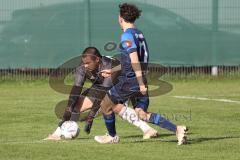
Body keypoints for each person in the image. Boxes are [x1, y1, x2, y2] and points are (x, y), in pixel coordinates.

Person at [94, 3, 187, 145]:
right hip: (139, 77)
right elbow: (129, 62)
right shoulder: (139, 33)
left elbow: (134, 60)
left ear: (120, 18)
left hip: (130, 80)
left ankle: (112, 136)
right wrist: (112, 71)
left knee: (105, 103)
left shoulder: (127, 35)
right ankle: (177, 129)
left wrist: (140, 83)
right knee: (141, 113)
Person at [44, 47, 157, 140]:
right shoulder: (83, 67)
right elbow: (76, 89)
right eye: (84, 63)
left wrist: (90, 117)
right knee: (76, 105)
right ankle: (58, 133)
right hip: (100, 85)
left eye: (88, 63)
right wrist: (68, 109)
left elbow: (103, 92)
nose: (85, 66)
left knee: (116, 107)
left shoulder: (109, 66)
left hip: (122, 83)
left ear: (97, 60)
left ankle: (148, 129)